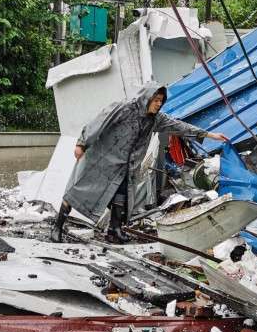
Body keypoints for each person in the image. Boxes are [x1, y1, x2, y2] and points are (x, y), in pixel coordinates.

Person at [51, 83, 228, 243]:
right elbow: (100, 122)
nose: (159, 104)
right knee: (78, 191)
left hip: (124, 167)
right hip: (101, 160)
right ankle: (58, 226)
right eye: (156, 99)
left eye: (161, 101)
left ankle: (114, 230)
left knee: (121, 196)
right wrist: (82, 143)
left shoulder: (156, 119)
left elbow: (179, 126)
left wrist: (210, 135)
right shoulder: (125, 108)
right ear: (147, 97)